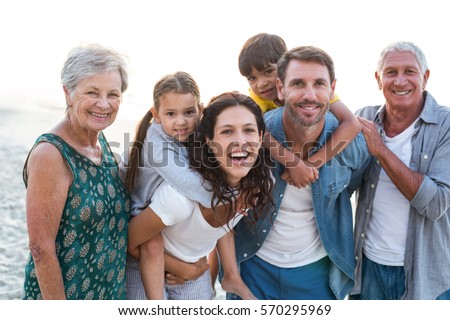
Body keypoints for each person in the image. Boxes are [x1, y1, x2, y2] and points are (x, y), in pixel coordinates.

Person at [229, 46, 370, 300]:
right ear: (280, 88)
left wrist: (312, 164)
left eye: (319, 84)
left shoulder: (350, 143)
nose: (309, 94)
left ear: (332, 88)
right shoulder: (253, 134)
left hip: (318, 276)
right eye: (297, 83)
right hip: (254, 270)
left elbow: (354, 182)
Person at [127, 92, 274, 299]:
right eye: (227, 132)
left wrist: (228, 275)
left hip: (195, 268)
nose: (240, 141)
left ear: (260, 137)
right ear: (209, 141)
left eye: (248, 130)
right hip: (145, 264)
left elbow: (223, 226)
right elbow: (129, 242)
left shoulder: (254, 185)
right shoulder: (180, 198)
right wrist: (183, 268)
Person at [22, 44, 130, 299]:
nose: (104, 104)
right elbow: (40, 248)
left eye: (113, 94)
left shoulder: (101, 142)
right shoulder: (51, 154)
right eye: (92, 92)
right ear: (67, 93)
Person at [352, 41, 450, 300]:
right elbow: (339, 182)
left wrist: (381, 150)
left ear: (425, 78)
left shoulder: (446, 125)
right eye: (391, 72)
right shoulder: (363, 117)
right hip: (369, 267)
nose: (400, 80)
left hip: (428, 276)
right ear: (378, 79)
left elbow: (436, 204)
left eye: (409, 71)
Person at [121, 71, 213, 299]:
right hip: (140, 213)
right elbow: (187, 183)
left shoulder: (197, 136)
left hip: (166, 215)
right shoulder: (155, 142)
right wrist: (223, 199)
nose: (181, 121)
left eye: (189, 112)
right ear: (157, 114)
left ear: (199, 110)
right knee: (152, 247)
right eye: (171, 113)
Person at [238, 33, 361, 187]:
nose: (261, 83)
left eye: (268, 71)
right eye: (252, 78)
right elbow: (257, 133)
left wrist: (312, 163)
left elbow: (352, 124)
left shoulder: (316, 92)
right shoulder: (257, 100)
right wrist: (294, 163)